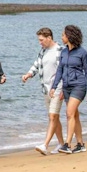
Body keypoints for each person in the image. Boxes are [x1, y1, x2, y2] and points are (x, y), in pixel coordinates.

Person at [49, 25, 87, 154]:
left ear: (69, 36)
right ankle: (80, 144)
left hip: (79, 86)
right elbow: (59, 71)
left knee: (69, 114)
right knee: (74, 115)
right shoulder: (63, 52)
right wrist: (54, 87)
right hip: (67, 87)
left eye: (63, 35)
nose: (61, 37)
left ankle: (67, 144)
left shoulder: (82, 53)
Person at [22, 27, 65, 155]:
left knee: (52, 116)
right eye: (39, 40)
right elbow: (37, 64)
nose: (40, 42)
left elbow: (64, 71)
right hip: (46, 90)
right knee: (54, 117)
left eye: (41, 40)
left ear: (49, 38)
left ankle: (45, 145)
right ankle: (62, 144)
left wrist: (63, 88)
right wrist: (29, 74)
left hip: (57, 89)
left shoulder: (60, 50)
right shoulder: (43, 51)